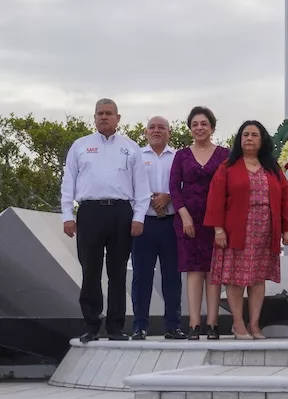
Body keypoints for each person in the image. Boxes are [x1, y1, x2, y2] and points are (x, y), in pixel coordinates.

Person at [60, 98, 150, 342]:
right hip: (89, 212)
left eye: (109, 113)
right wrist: (68, 215)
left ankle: (116, 327)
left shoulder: (131, 148)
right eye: (100, 113)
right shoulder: (80, 146)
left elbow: (142, 187)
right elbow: (68, 183)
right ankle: (91, 325)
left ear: (118, 118)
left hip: (121, 212)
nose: (104, 117)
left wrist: (138, 217)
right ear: (94, 117)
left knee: (118, 272)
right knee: (90, 270)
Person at [204, 120, 288, 339]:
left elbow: (285, 199)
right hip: (236, 231)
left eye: (254, 135)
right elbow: (215, 200)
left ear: (262, 140)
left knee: (257, 279)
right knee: (235, 280)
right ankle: (238, 324)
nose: (249, 139)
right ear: (239, 139)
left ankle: (254, 324)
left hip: (265, 231)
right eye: (245, 135)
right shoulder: (227, 167)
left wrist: (287, 229)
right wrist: (218, 230)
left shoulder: (272, 168)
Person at [169, 106, 229, 340]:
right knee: (193, 271)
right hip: (188, 221)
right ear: (190, 129)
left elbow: (229, 188)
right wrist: (184, 216)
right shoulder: (181, 155)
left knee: (214, 272)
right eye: (195, 124)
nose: (199, 128)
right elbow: (174, 187)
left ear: (212, 127)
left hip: (216, 222)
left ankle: (213, 323)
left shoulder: (225, 155)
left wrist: (221, 223)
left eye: (204, 123)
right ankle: (194, 323)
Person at [131, 116, 186, 340]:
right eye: (152, 127)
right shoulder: (136, 156)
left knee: (172, 277)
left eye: (161, 127)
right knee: (141, 276)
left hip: (171, 223)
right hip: (144, 222)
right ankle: (139, 326)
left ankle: (173, 326)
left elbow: (185, 186)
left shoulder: (178, 157)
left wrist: (169, 197)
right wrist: (149, 198)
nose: (156, 131)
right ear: (145, 132)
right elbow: (129, 185)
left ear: (169, 133)